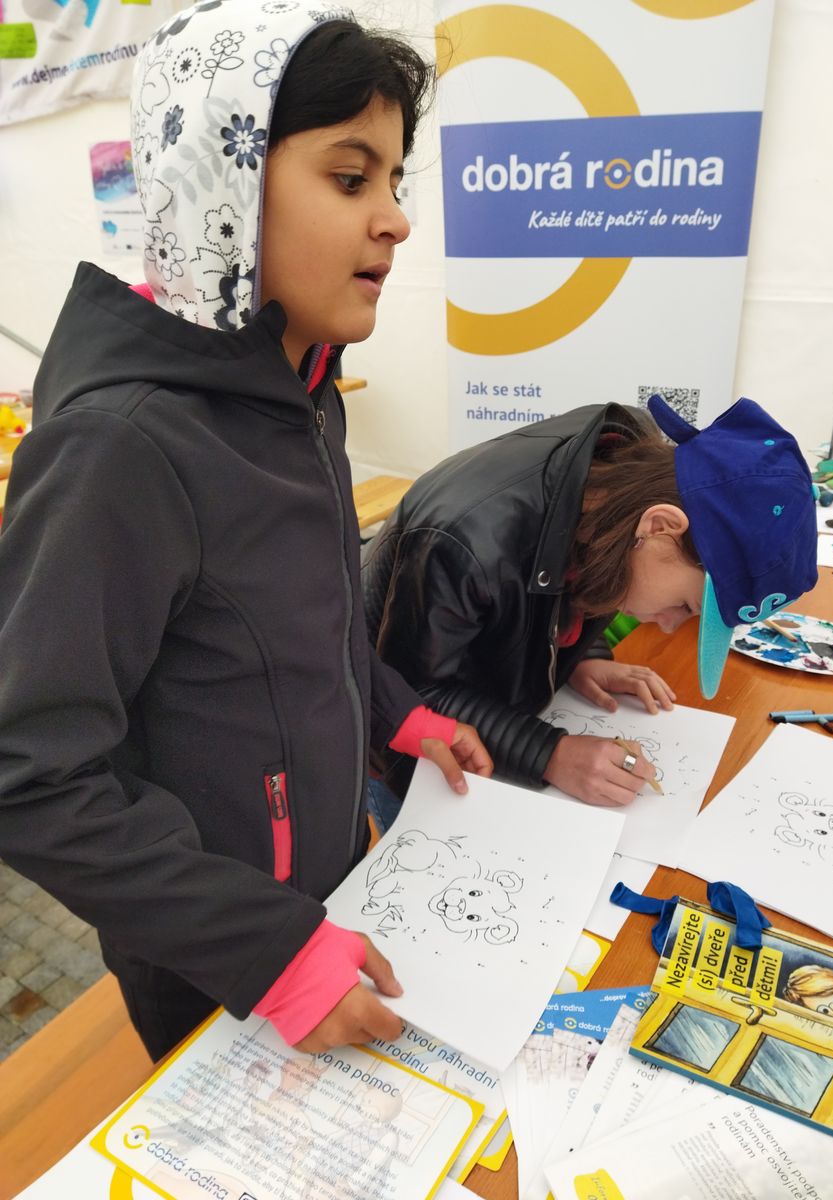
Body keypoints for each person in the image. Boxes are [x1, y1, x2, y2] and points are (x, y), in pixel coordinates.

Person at [0, 2, 492, 1063]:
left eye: (394, 182)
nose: (396, 220)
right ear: (220, 185)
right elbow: (28, 776)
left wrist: (396, 715)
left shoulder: (303, 391)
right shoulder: (120, 449)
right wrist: (266, 954)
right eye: (350, 178)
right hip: (216, 960)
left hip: (331, 892)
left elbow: (306, 624)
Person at [363, 396, 818, 812]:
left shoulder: (619, 487)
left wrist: (583, 655)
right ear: (660, 527)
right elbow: (407, 695)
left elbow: (575, 571)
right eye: (684, 605)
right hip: (395, 743)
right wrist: (549, 753)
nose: (667, 625)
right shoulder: (464, 539)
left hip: (487, 705)